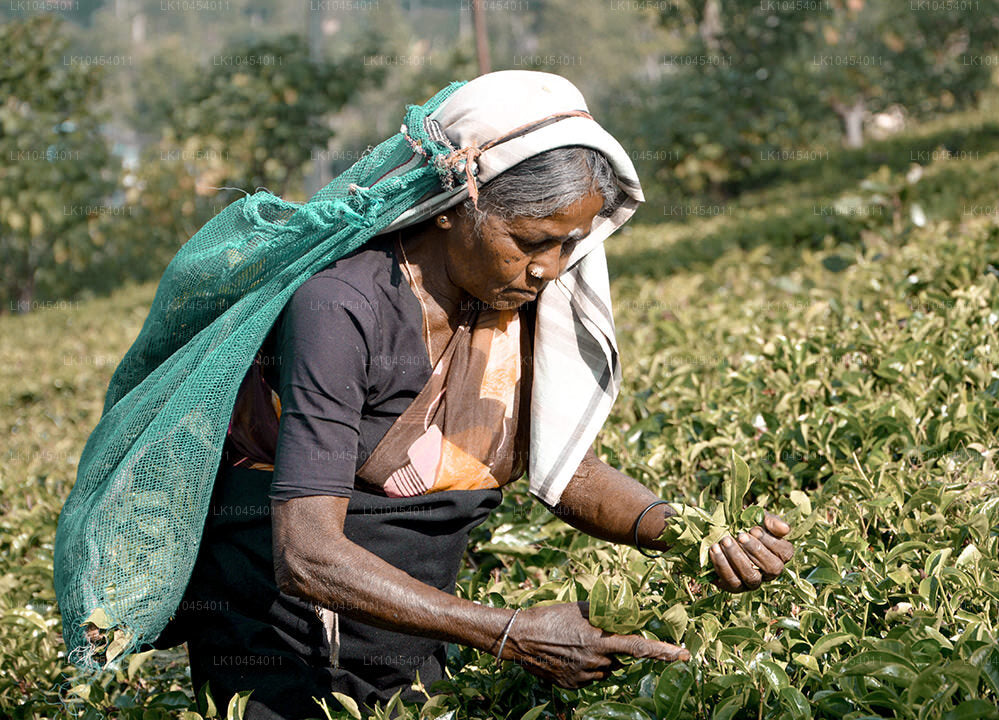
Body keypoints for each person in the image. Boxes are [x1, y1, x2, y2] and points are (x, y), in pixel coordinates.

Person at [155, 71, 795, 719]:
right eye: (529, 241)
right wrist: (510, 632)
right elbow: (307, 554)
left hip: (416, 631)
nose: (549, 268)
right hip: (277, 647)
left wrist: (700, 537)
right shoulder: (342, 305)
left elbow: (566, 469)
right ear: (454, 206)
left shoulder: (515, 299)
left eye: (568, 244)